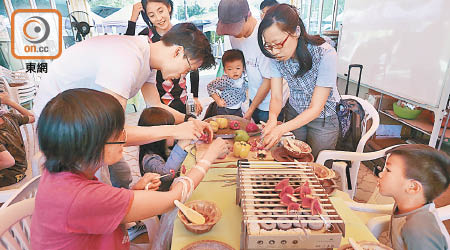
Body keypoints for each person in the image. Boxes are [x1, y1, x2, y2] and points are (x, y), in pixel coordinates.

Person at [30, 88, 229, 249]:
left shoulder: (63, 172)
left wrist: (132, 194)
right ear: (90, 146)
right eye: (118, 134)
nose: (125, 138)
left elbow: (102, 212)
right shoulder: (81, 198)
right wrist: (208, 157)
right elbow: (171, 200)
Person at [32, 23, 215, 186]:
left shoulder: (147, 56)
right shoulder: (127, 59)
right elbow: (114, 134)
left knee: (121, 174)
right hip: (60, 124)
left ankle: (126, 217)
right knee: (97, 186)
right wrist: (176, 130)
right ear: (178, 52)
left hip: (87, 119)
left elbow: (155, 105)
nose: (184, 76)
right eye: (188, 69)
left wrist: (189, 120)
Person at [258, 4, 339, 158]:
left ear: (296, 31)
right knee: (292, 160)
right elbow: (276, 97)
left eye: (278, 44)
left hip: (324, 119)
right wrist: (272, 119)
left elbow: (316, 108)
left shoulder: (325, 54)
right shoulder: (275, 56)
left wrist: (281, 129)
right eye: (268, 46)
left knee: (316, 164)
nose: (274, 51)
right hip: (295, 111)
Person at [125, 0, 202, 115]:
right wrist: (133, 19)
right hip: (155, 98)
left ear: (169, 8)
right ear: (147, 17)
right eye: (152, 15)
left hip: (181, 97)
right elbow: (127, 49)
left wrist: (195, 96)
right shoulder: (146, 36)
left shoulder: (183, 34)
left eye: (161, 11)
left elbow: (193, 67)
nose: (159, 18)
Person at [216, 0, 288, 124]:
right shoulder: (234, 36)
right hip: (253, 96)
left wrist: (251, 109)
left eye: (235, 29)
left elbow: (268, 79)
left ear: (248, 16)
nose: (233, 34)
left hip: (272, 101)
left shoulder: (265, 36)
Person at [377, 144, 450, 250]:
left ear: (413, 187)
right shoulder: (403, 204)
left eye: (388, 170)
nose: (380, 174)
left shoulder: (418, 229)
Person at [138, 107, 190, 191]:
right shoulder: (150, 160)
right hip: (163, 197)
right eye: (170, 131)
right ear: (158, 138)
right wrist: (181, 145)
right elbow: (168, 174)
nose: (174, 133)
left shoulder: (165, 145)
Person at [0, 92, 35, 187]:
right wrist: (10, 102)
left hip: (8, 176)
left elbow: (8, 161)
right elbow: (32, 117)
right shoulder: (10, 117)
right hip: (21, 170)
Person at [207, 49, 247, 117]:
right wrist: (218, 100)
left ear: (243, 68)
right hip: (225, 109)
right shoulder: (225, 80)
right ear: (225, 70)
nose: (234, 71)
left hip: (238, 109)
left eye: (238, 68)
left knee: (239, 125)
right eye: (230, 69)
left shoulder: (244, 78)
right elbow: (210, 86)